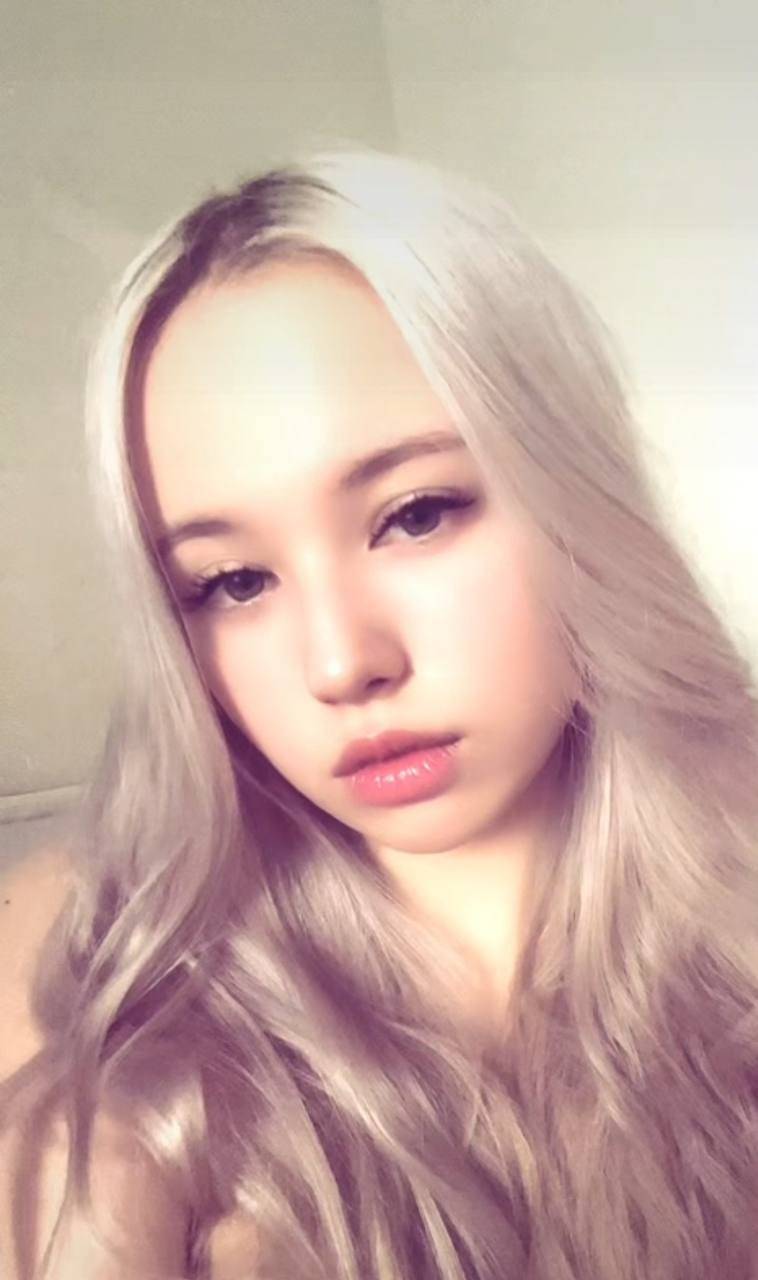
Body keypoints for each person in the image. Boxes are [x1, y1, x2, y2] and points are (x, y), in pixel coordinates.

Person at [1, 144, 757, 1280]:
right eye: (232, 581)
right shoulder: (96, 976)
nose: (340, 661)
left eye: (415, 513)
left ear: (571, 486)